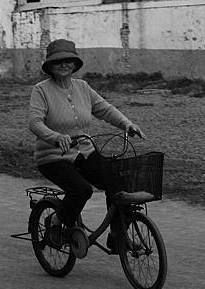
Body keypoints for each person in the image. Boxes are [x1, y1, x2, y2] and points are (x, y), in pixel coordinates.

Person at [29, 39, 145, 251]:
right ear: (50, 66)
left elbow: (105, 109)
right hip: (53, 157)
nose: (64, 65)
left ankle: (118, 235)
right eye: (58, 62)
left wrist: (127, 124)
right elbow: (35, 123)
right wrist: (55, 136)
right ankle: (55, 222)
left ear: (75, 64)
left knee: (119, 186)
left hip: (84, 151)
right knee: (81, 190)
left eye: (68, 61)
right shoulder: (41, 90)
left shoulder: (82, 87)